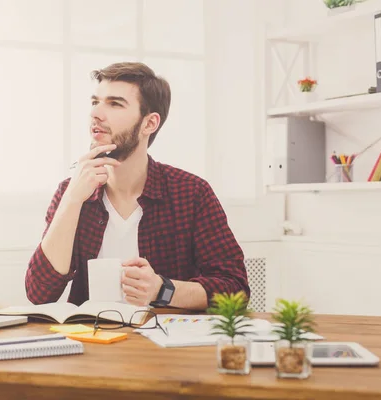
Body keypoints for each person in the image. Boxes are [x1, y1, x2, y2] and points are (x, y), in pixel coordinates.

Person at [25, 62, 249, 310]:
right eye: (95, 102)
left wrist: (161, 289)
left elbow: (235, 288)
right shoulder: (73, 191)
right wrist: (72, 200)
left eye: (115, 104)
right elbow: (39, 293)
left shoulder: (192, 193)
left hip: (161, 342)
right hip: (92, 341)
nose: (96, 113)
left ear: (149, 123)